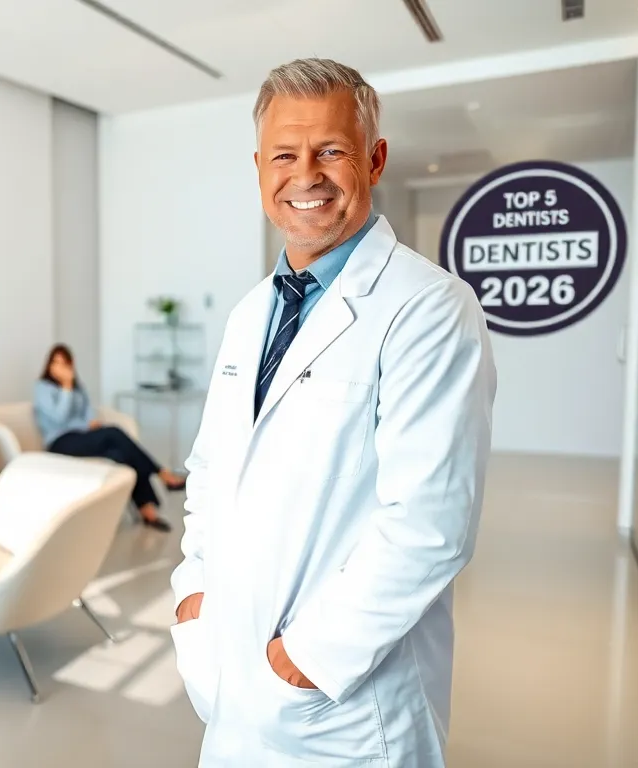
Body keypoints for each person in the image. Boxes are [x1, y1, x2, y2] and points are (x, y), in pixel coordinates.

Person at [170, 59, 496, 767]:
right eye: (285, 154)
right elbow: (209, 470)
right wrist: (193, 591)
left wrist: (310, 658)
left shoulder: (427, 308)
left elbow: (430, 525)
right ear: (260, 168)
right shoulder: (251, 312)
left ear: (374, 160)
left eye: (332, 151)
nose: (306, 175)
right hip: (227, 674)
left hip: (342, 705)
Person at [33, 343, 185, 533]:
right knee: (113, 432)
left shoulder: (78, 388)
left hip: (82, 437)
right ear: (49, 365)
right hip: (60, 441)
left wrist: (89, 420)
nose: (60, 367)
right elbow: (59, 418)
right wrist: (66, 386)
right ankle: (162, 473)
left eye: (65, 363)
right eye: (56, 362)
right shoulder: (43, 388)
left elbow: (88, 413)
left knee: (120, 455)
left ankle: (148, 511)